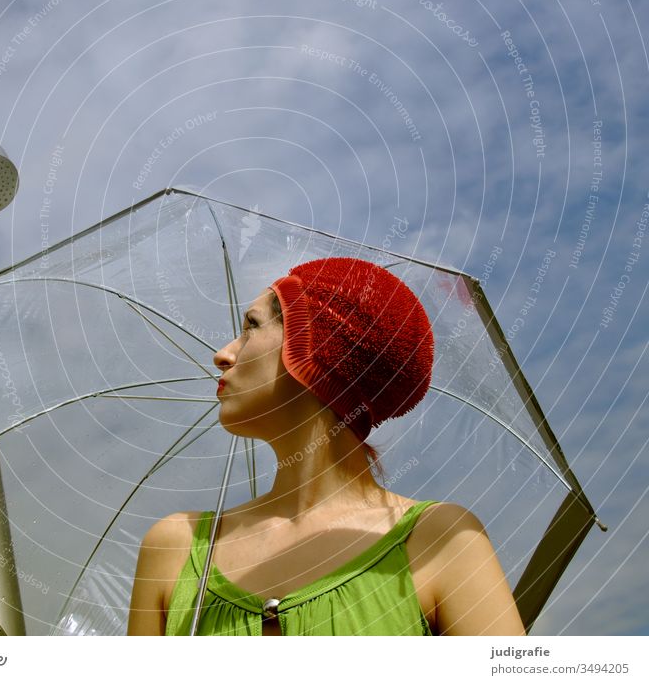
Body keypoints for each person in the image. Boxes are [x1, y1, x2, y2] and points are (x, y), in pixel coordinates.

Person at [127, 257, 526, 636]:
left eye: (250, 325)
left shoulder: (441, 540)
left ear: (316, 345)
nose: (223, 355)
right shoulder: (176, 546)